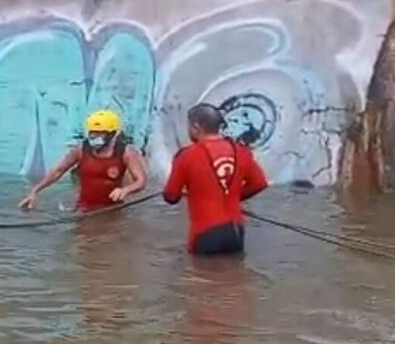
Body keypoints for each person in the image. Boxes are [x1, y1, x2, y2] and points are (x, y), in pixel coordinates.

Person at [162, 103, 268, 255]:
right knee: (233, 274)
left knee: (200, 275)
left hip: (205, 233)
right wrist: (235, 196)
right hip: (236, 232)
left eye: (189, 127)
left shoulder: (186, 156)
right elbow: (260, 183)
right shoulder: (242, 151)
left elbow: (171, 196)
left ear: (196, 127)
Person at [18, 109, 148, 212]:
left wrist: (126, 190)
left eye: (99, 133)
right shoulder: (81, 149)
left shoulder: (126, 152)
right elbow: (58, 171)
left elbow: (141, 181)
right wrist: (35, 191)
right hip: (84, 208)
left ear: (112, 134)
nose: (94, 137)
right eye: (92, 132)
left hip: (113, 210)